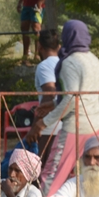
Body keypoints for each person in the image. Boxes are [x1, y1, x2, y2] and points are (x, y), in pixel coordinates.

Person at [28, 20, 99, 194]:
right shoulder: (94, 60)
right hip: (98, 125)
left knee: (52, 174)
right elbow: (82, 95)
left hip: (76, 127)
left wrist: (43, 122)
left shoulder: (70, 62)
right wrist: (53, 104)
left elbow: (72, 99)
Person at [33, 28, 61, 167]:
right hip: (67, 125)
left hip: (49, 127)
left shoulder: (44, 66)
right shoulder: (66, 63)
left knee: (41, 169)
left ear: (39, 46)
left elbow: (50, 93)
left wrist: (36, 125)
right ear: (59, 46)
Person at [18, 0, 44, 65]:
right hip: (26, 5)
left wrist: (40, 2)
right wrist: (20, 1)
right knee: (24, 28)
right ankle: (25, 56)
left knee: (36, 28)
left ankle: (37, 55)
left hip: (37, 6)